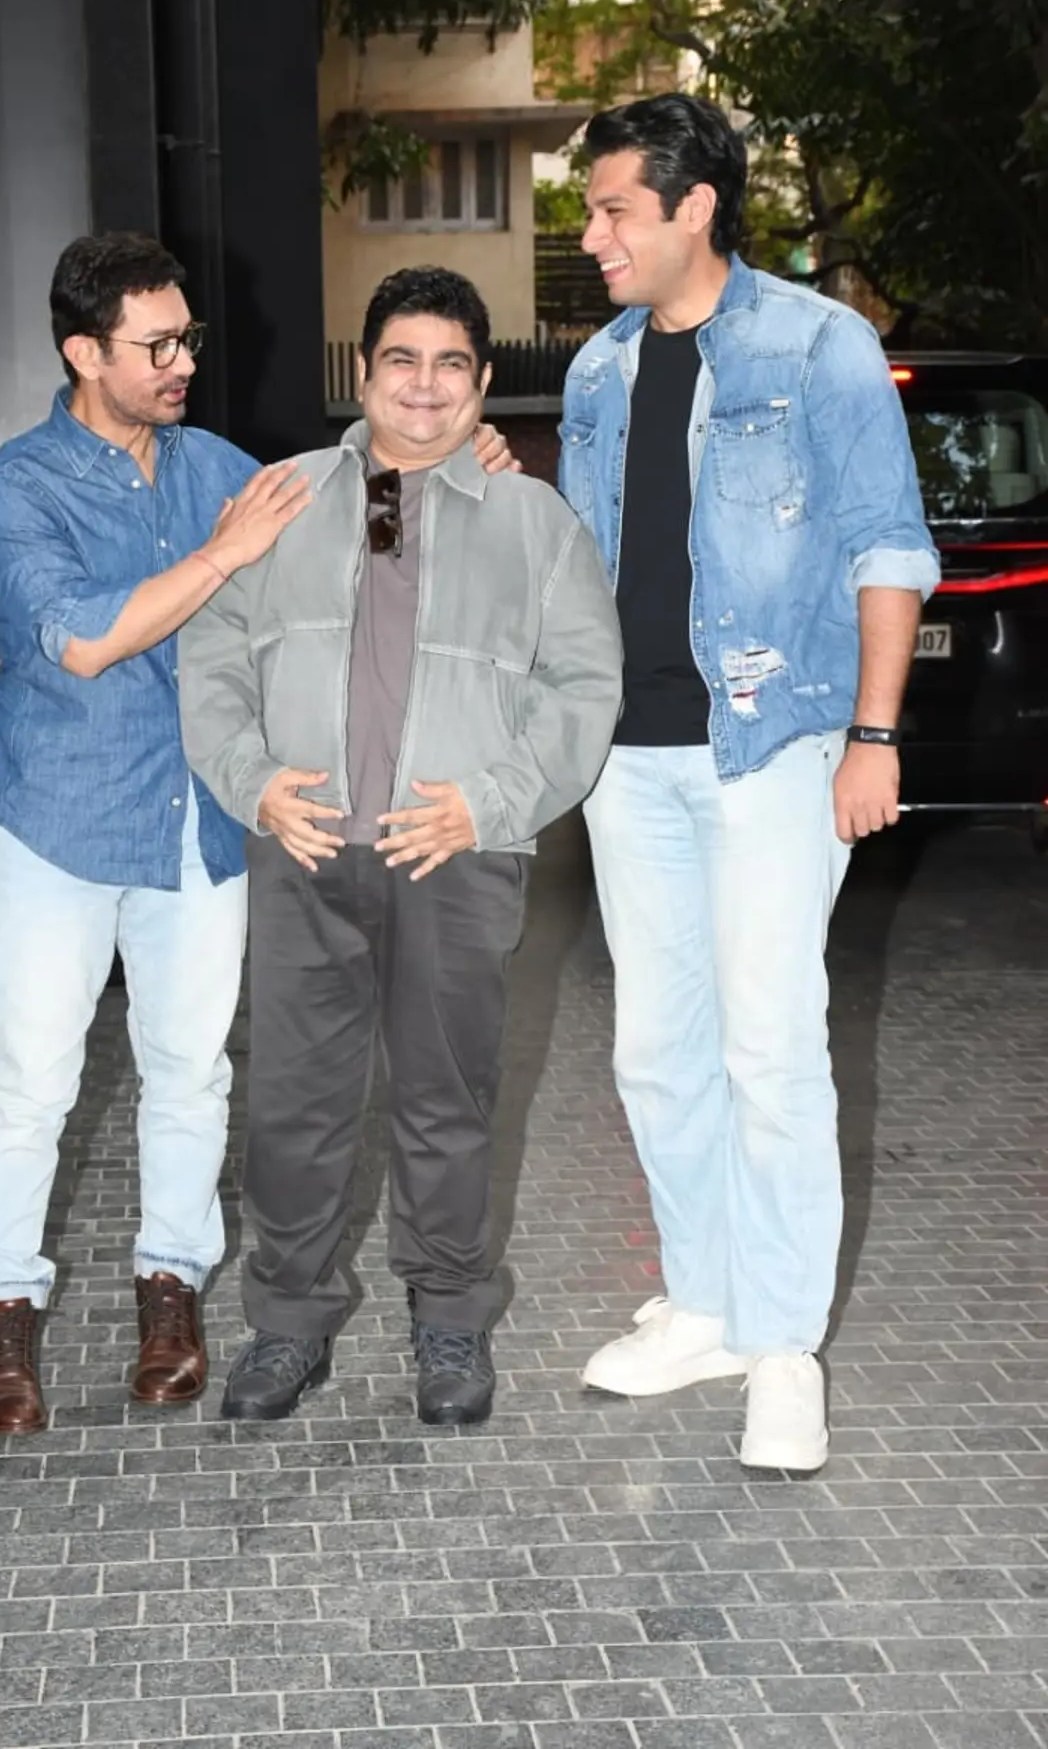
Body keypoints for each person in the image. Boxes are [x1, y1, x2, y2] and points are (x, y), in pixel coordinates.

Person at [0, 233, 518, 1436]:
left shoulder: (218, 462)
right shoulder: (12, 488)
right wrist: (225, 552)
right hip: (61, 822)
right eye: (154, 345)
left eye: (187, 340)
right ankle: (2, 1316)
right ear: (80, 352)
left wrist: (455, 457)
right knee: (27, 1081)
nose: (180, 363)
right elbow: (85, 637)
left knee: (191, 1074)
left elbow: (375, 528)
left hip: (202, 830)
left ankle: (172, 1293)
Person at [560, 95, 939, 1472]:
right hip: (630, 758)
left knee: (769, 1046)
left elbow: (889, 548)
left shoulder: (819, 345)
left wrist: (875, 737)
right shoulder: (598, 372)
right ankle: (707, 1304)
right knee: (656, 1050)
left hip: (774, 745)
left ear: (694, 207)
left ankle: (784, 1346)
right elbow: (586, 555)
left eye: (613, 210)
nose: (591, 234)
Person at [179, 266, 622, 1427]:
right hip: (305, 849)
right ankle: (286, 1325)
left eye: (450, 365)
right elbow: (213, 654)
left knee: (447, 1103)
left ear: (480, 384)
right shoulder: (280, 499)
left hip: (456, 857)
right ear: (363, 372)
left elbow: (583, 687)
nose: (423, 386)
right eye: (399, 360)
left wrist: (492, 803)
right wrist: (251, 782)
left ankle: (449, 1323)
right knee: (293, 1108)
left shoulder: (533, 521)